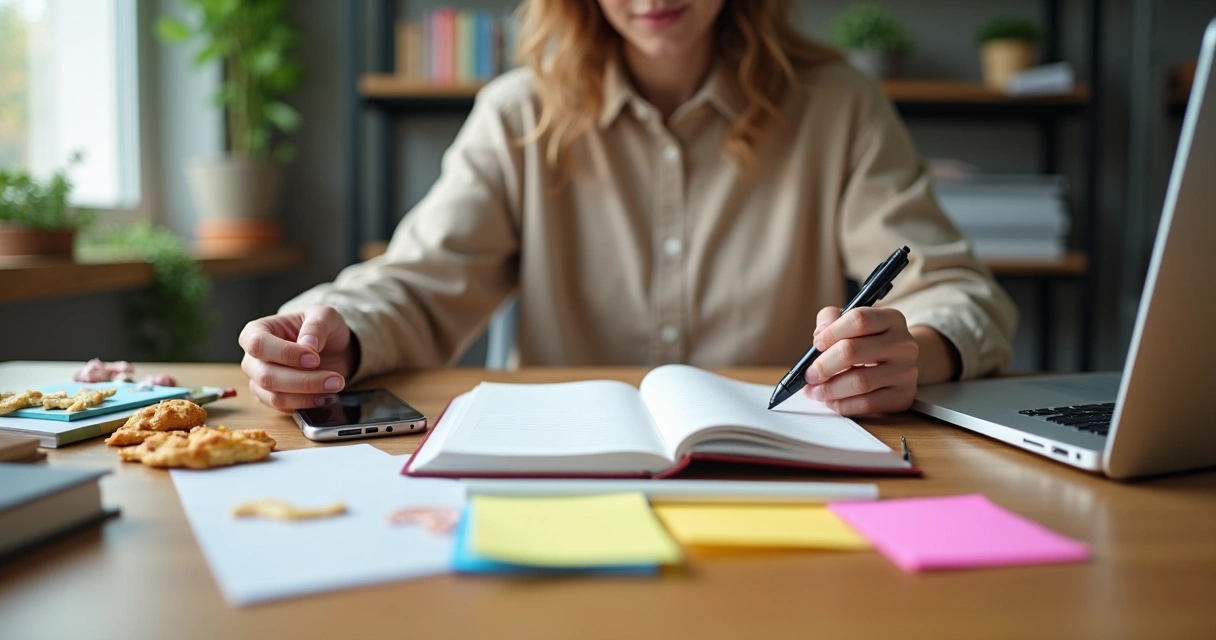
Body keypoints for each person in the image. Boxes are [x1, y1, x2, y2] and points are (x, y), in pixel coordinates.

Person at [239, 0, 1017, 417]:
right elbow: (415, 282)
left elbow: (959, 292)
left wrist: (914, 350)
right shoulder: (519, 114)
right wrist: (327, 333)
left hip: (774, 472)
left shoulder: (840, 105)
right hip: (567, 485)